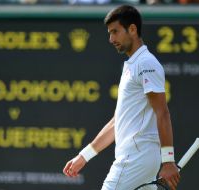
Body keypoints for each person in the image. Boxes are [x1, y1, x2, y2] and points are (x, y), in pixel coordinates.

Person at [63, 5, 180, 190]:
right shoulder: (132, 65)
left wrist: (168, 162)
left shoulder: (145, 63)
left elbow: (162, 112)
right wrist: (84, 156)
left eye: (115, 32)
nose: (111, 39)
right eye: (110, 33)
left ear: (132, 29)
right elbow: (118, 121)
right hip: (140, 158)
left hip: (135, 157)